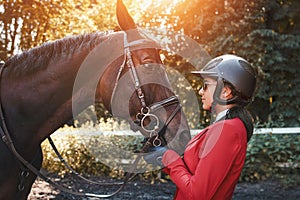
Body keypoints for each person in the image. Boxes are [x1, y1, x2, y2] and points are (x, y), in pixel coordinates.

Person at [144, 54, 257, 199]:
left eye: (206, 86)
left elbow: (198, 194)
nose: (200, 91)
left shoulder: (228, 130)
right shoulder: (225, 126)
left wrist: (168, 157)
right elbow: (193, 171)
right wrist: (161, 156)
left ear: (225, 91)